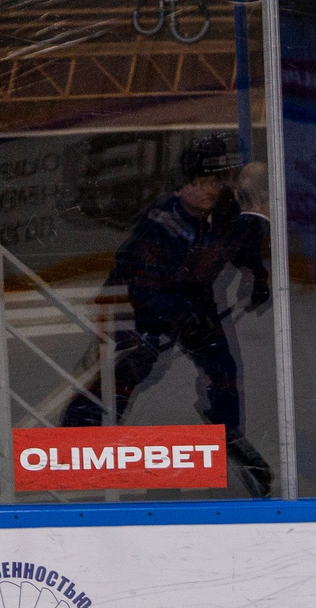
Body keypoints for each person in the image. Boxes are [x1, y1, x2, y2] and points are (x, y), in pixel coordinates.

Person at [65, 134, 277, 498]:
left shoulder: (224, 214)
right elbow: (145, 287)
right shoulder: (161, 225)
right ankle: (81, 431)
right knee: (133, 365)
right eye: (202, 183)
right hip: (141, 305)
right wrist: (179, 321)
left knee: (222, 366)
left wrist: (257, 276)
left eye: (217, 181)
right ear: (183, 187)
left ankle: (227, 434)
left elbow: (239, 245)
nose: (211, 189)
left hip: (193, 300)